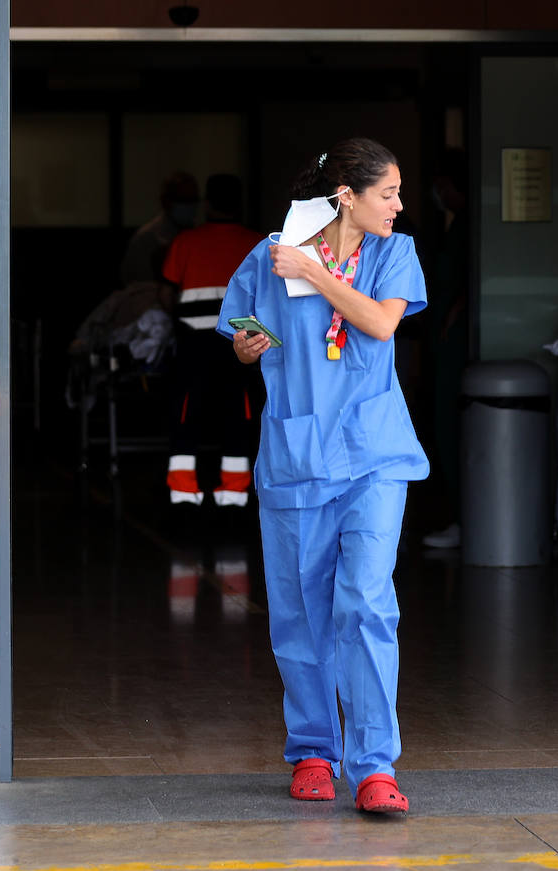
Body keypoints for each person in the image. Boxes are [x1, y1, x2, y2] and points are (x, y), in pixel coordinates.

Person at [217, 137, 428, 814]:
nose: (399, 204)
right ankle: (313, 748)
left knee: (366, 602)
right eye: (388, 193)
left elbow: (378, 323)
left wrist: (314, 271)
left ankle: (373, 764)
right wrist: (248, 345)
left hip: (372, 454)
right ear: (347, 196)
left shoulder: (394, 253)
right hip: (297, 454)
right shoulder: (268, 255)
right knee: (301, 611)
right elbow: (243, 334)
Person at [161, 173, 263, 508]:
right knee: (239, 413)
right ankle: (234, 495)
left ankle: (183, 494)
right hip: (241, 344)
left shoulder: (185, 242)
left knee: (187, 412)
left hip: (194, 344)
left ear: (207, 203)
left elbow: (166, 294)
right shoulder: (258, 244)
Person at [419, 148, 470, 550]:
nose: (439, 195)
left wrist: (453, 317)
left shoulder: (472, 230)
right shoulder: (455, 229)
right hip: (442, 341)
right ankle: (459, 515)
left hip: (455, 343)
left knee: (453, 429)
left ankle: (466, 517)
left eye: (442, 187)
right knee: (443, 426)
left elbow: (467, 288)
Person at [120, 170, 199, 286]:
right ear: (165, 201)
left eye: (193, 200)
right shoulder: (146, 238)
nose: (189, 206)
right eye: (183, 200)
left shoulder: (198, 235)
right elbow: (136, 283)